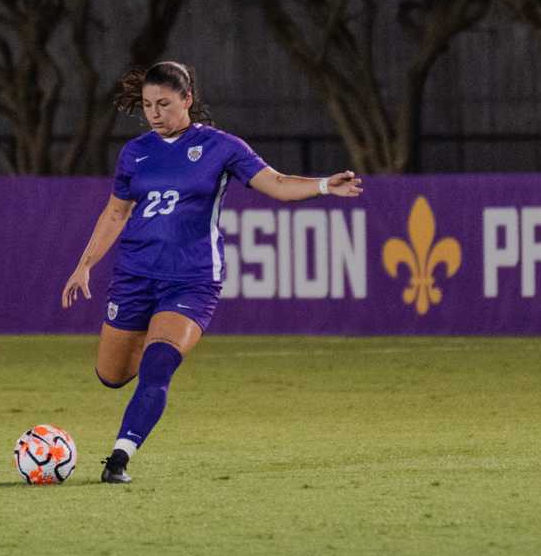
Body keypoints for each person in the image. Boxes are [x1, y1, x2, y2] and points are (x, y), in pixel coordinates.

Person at [60, 60, 364, 484]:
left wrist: (323, 186)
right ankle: (150, 335)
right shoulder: (135, 153)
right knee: (111, 376)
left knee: (158, 365)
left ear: (187, 100)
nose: (154, 113)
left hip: (192, 279)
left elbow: (275, 183)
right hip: (135, 276)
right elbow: (116, 212)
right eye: (148, 105)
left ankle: (119, 457)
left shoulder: (222, 147)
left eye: (164, 103)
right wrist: (84, 265)